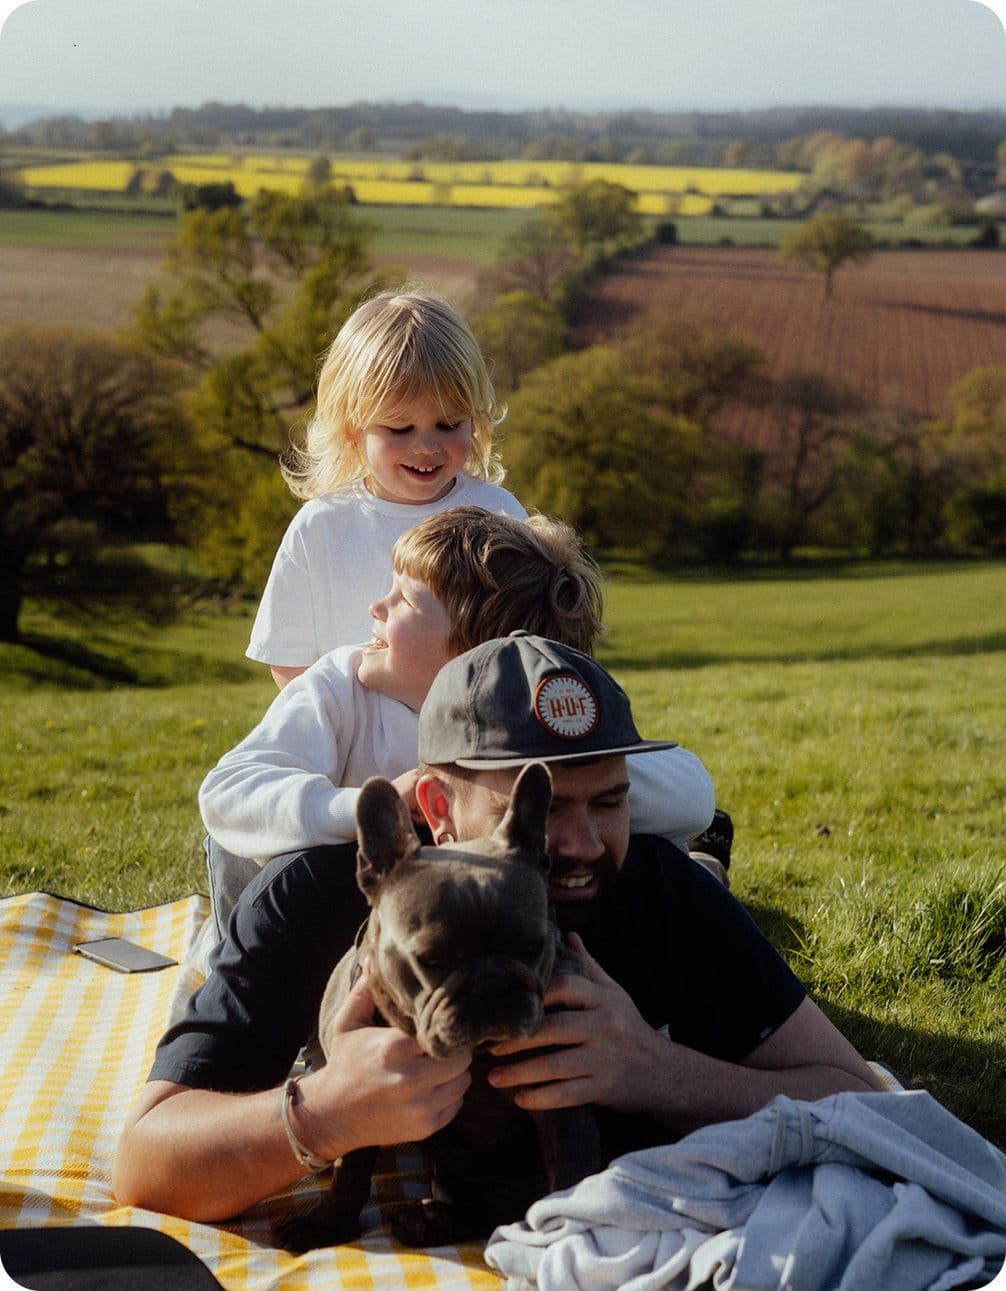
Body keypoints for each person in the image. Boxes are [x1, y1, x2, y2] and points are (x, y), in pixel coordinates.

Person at [114, 632, 883, 1224]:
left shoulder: (654, 885)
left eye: (610, 802)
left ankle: (713, 859)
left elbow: (859, 1099)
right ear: (438, 813)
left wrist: (658, 1068)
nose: (581, 846)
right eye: (540, 811)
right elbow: (147, 1164)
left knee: (704, 892)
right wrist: (322, 1111)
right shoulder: (315, 895)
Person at [198, 506, 716, 941]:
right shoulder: (340, 684)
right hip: (339, 926)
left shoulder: (532, 711)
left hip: (493, 931)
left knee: (651, 854)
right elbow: (228, 792)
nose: (376, 607)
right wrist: (368, 807)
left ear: (470, 652)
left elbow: (691, 795)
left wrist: (526, 788)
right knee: (246, 844)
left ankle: (702, 882)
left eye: (404, 599)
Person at [249, 287, 527, 690]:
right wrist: (337, 720)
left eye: (449, 425)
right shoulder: (321, 526)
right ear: (350, 428)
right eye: (400, 428)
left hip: (468, 737)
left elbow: (529, 641)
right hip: (355, 743)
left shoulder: (497, 515)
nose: (427, 446)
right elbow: (288, 659)